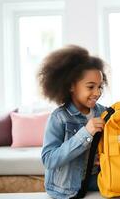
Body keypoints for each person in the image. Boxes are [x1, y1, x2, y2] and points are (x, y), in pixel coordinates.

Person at [38, 45, 107, 199]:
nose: (97, 93)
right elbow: (49, 160)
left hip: (95, 180)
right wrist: (85, 134)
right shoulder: (59, 118)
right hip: (65, 188)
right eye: (90, 87)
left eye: (100, 87)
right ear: (71, 86)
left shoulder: (102, 112)